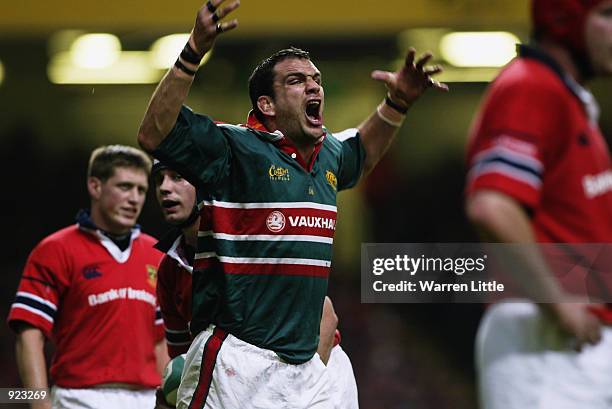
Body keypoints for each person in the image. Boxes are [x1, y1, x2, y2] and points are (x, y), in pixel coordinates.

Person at [138, 0, 446, 407]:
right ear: (266, 105)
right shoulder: (233, 148)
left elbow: (363, 153)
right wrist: (194, 49)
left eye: (315, 80)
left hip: (311, 366)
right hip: (238, 362)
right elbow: (153, 134)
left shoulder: (331, 154)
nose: (314, 86)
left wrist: (398, 103)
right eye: (296, 81)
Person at [465, 0, 612, 408]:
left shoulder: (567, 97)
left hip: (567, 345)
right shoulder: (531, 85)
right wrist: (560, 303)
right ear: (563, 20)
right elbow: (493, 205)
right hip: (544, 342)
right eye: (607, 15)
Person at [152, 160, 358, 408]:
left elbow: (326, 317)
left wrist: (298, 392)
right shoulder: (168, 269)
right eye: (159, 179)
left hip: (315, 376)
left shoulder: (257, 244)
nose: (165, 187)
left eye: (177, 177)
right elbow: (184, 361)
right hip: (241, 386)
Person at [8, 145, 167, 409]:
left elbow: (161, 339)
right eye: (125, 186)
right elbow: (29, 332)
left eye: (141, 190)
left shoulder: (157, 255)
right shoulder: (55, 249)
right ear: (95, 186)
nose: (134, 199)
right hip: (78, 399)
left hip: (147, 400)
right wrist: (39, 403)